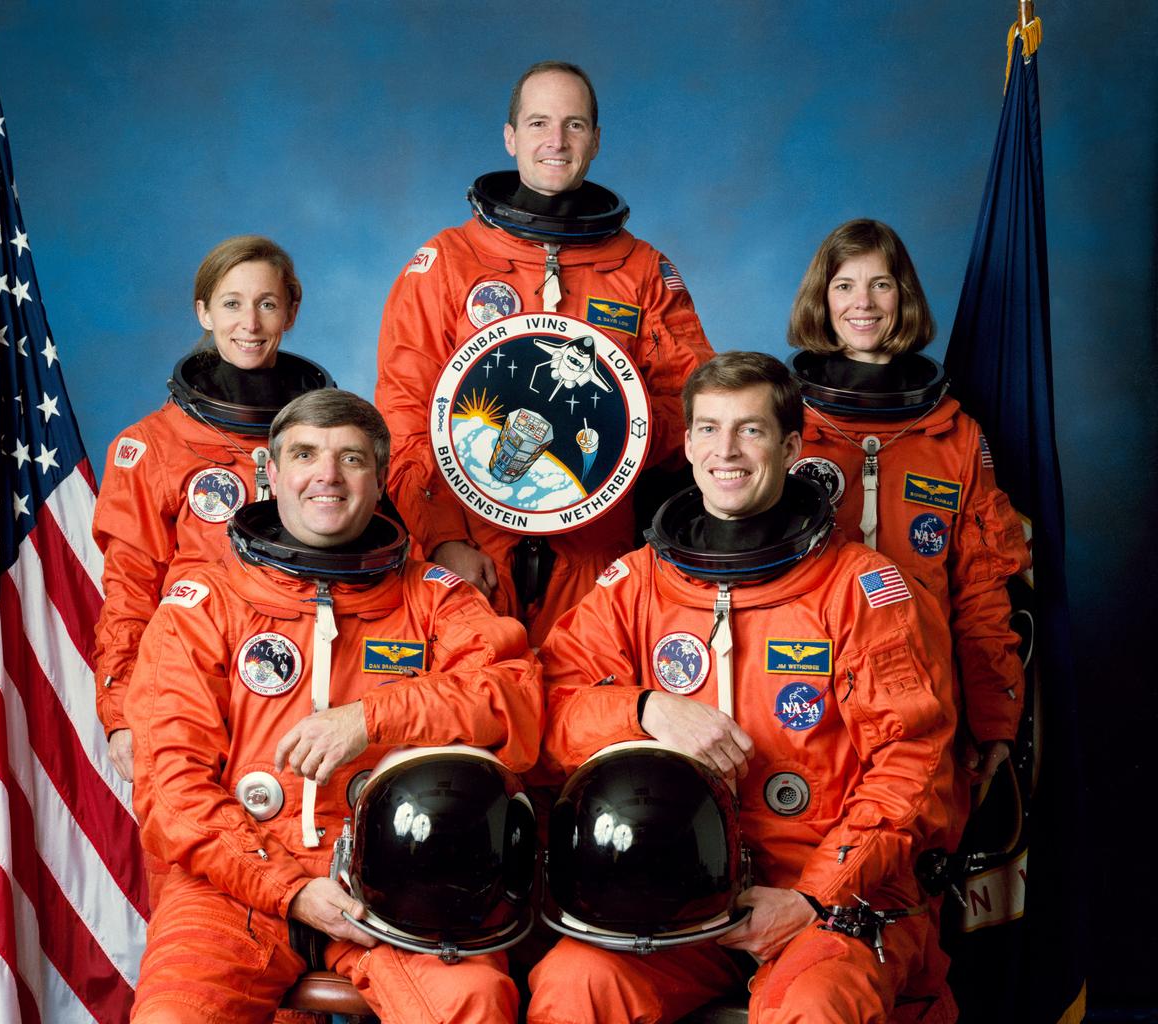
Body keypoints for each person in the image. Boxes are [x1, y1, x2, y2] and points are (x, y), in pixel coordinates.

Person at [526, 352, 959, 1023]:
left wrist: (815, 897)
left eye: (750, 431)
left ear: (790, 447)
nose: (725, 450)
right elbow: (546, 714)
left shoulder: (862, 589)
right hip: (672, 899)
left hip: (833, 898)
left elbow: (915, 767)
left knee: (811, 1009)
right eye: (708, 428)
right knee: (574, 985)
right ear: (688, 441)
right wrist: (645, 709)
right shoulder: (635, 584)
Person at [125, 390, 543, 1024]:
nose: (327, 475)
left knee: (473, 1002)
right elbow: (171, 787)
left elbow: (511, 699)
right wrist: (287, 889)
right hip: (233, 881)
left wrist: (372, 718)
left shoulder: (434, 599)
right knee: (174, 1015)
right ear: (269, 472)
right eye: (305, 455)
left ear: (378, 482)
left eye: (350, 458)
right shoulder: (203, 602)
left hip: (403, 876)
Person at [375, 60, 714, 644]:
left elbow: (698, 406)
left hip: (601, 550)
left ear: (596, 140)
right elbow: (404, 411)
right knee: (480, 715)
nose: (556, 141)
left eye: (574, 124)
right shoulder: (447, 262)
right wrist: (442, 539)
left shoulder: (642, 270)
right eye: (538, 123)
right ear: (510, 137)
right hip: (474, 549)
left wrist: (618, 427)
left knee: (587, 716)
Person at [786, 219, 1029, 790]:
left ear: (905, 297)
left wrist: (994, 719)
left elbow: (981, 592)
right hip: (802, 693)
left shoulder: (955, 437)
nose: (862, 303)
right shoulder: (779, 422)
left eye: (882, 285)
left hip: (922, 695)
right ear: (822, 299)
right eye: (844, 285)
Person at [93, 234, 331, 789]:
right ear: (203, 311)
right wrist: (122, 711)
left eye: (267, 303)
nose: (249, 322)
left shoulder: (329, 436)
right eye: (231, 303)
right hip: (187, 675)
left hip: (301, 673)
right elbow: (129, 590)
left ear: (291, 311)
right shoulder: (151, 446)